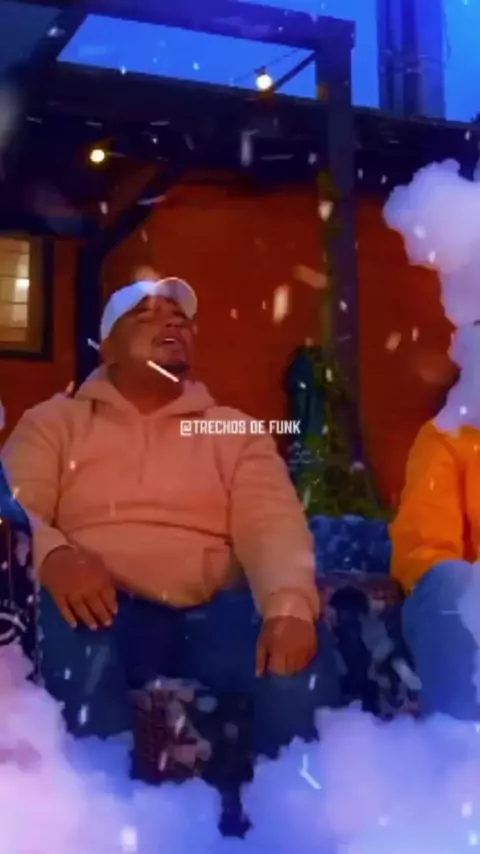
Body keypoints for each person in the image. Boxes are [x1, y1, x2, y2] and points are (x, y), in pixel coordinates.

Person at [1, 275, 339, 753]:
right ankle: (100, 786)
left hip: (213, 619)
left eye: (180, 319)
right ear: (108, 347)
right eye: (147, 315)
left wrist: (288, 608)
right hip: (103, 616)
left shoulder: (233, 430)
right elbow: (15, 510)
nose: (172, 324)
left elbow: (272, 525)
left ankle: (298, 793)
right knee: (60, 614)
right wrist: (53, 555)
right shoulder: (53, 422)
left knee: (299, 640)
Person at [390, 407, 480, 722]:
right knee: (451, 583)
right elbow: (427, 551)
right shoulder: (449, 436)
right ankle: (461, 745)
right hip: (464, 612)